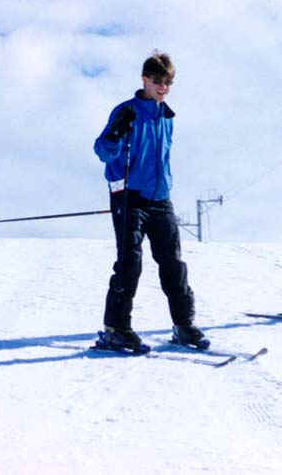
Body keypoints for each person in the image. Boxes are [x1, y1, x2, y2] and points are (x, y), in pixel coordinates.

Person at [92, 51, 208, 353]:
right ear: (144, 79)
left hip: (160, 198)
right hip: (129, 196)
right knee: (130, 263)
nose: (163, 87)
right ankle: (116, 329)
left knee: (173, 263)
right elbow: (102, 150)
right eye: (157, 81)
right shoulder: (126, 111)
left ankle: (184, 325)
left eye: (168, 82)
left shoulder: (166, 116)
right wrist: (115, 137)